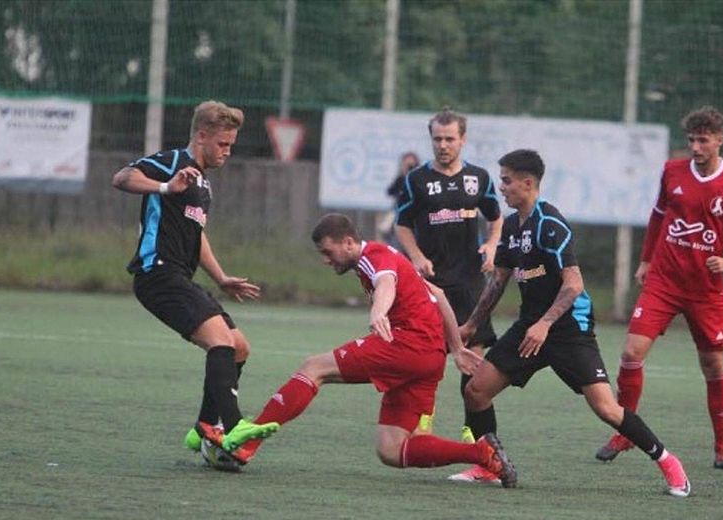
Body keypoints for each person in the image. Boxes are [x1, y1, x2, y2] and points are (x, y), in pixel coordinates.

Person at [210, 213, 517, 487]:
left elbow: (386, 284)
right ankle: (482, 452)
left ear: (348, 242)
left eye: (328, 252)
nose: (326, 260)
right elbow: (437, 294)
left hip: (406, 344)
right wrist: (457, 347)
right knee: (392, 449)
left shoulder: (374, 256)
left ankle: (246, 444)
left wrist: (378, 312)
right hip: (430, 356)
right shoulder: (388, 256)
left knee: (314, 368)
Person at [459, 149, 691, 497]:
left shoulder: (550, 223)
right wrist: (471, 326)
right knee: (476, 391)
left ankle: (670, 464)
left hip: (568, 328)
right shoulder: (510, 226)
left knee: (606, 408)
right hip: (530, 326)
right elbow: (498, 282)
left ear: (528, 183)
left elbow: (574, 284)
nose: (501, 187)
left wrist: (546, 324)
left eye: (506, 181)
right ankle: (489, 465)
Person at [595, 106, 723, 470]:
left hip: (705, 289)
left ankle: (722, 447)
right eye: (691, 140)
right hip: (664, 281)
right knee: (631, 353)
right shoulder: (672, 171)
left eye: (703, 140)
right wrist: (645, 260)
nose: (696, 147)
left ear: (719, 141)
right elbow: (658, 216)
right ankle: (625, 432)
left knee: (712, 365)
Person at [112, 100, 280, 469]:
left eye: (231, 145)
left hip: (179, 277)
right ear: (201, 135)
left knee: (238, 347)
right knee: (219, 342)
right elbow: (122, 178)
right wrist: (165, 187)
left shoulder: (203, 184)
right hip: (156, 274)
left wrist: (220, 277)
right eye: (223, 144)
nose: (227, 151)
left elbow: (195, 235)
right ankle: (232, 426)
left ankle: (204, 425)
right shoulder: (172, 163)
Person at [394, 107, 504, 484]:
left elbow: (496, 216)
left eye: (449, 139)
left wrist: (491, 245)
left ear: (462, 139)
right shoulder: (417, 180)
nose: (443, 145)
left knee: (474, 362)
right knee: (429, 356)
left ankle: (474, 435)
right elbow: (402, 224)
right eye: (437, 139)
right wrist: (417, 257)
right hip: (432, 282)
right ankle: (422, 423)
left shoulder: (479, 178)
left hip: (471, 283)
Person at [376, 151, 420, 244]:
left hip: (416, 220)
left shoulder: (419, 180)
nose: (409, 168)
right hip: (399, 219)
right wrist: (403, 175)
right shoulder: (400, 180)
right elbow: (390, 191)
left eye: (412, 165)